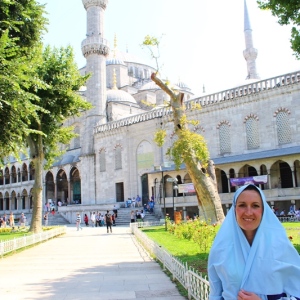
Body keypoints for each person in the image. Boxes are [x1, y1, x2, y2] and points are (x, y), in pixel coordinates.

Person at [208, 184, 300, 300]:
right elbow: (215, 295)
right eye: (242, 205)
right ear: (234, 209)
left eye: (255, 206)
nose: (248, 212)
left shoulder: (281, 247)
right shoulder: (220, 249)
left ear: (263, 210)